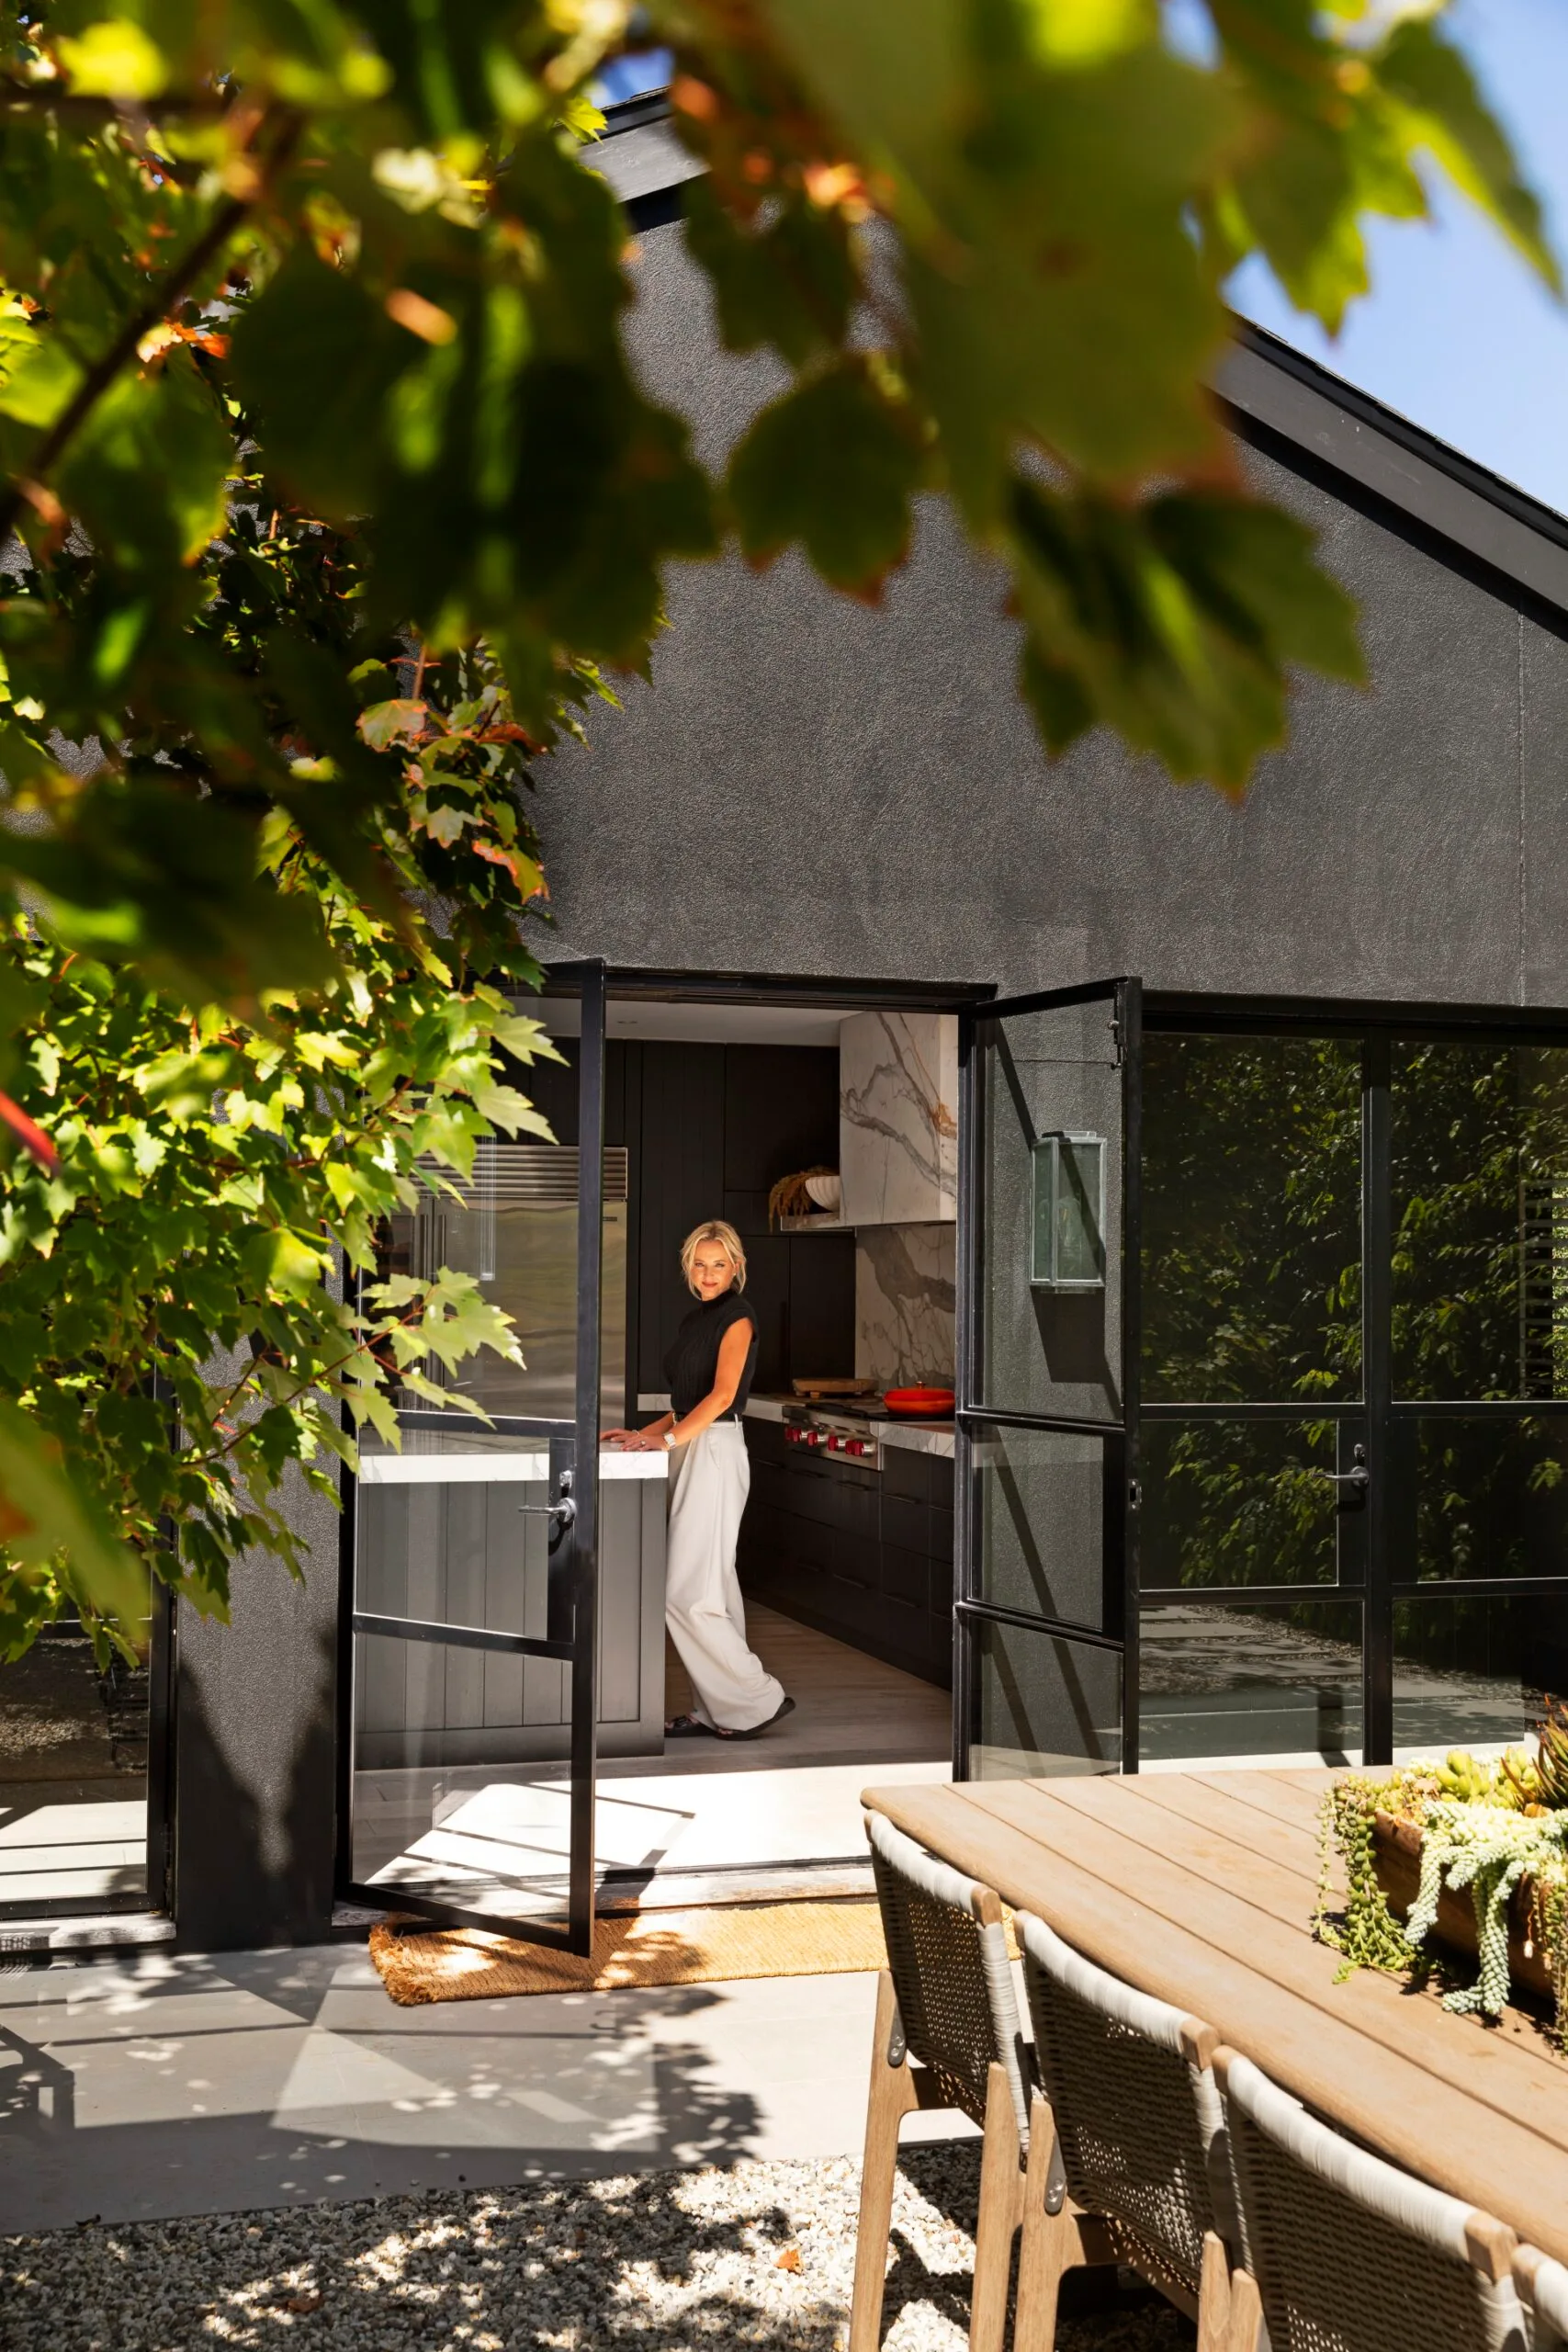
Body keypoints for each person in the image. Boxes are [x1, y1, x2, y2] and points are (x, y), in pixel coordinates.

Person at [604, 1219, 795, 1741]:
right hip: (693, 1445)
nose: (708, 1274)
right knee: (716, 1586)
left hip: (713, 1451)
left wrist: (667, 1442)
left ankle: (756, 1699)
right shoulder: (697, 1320)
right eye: (699, 1263)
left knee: (687, 1593)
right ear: (688, 1265)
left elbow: (722, 1398)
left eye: (719, 1264)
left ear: (736, 1267)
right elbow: (685, 1403)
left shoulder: (738, 1317)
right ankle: (716, 1711)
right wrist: (643, 1434)